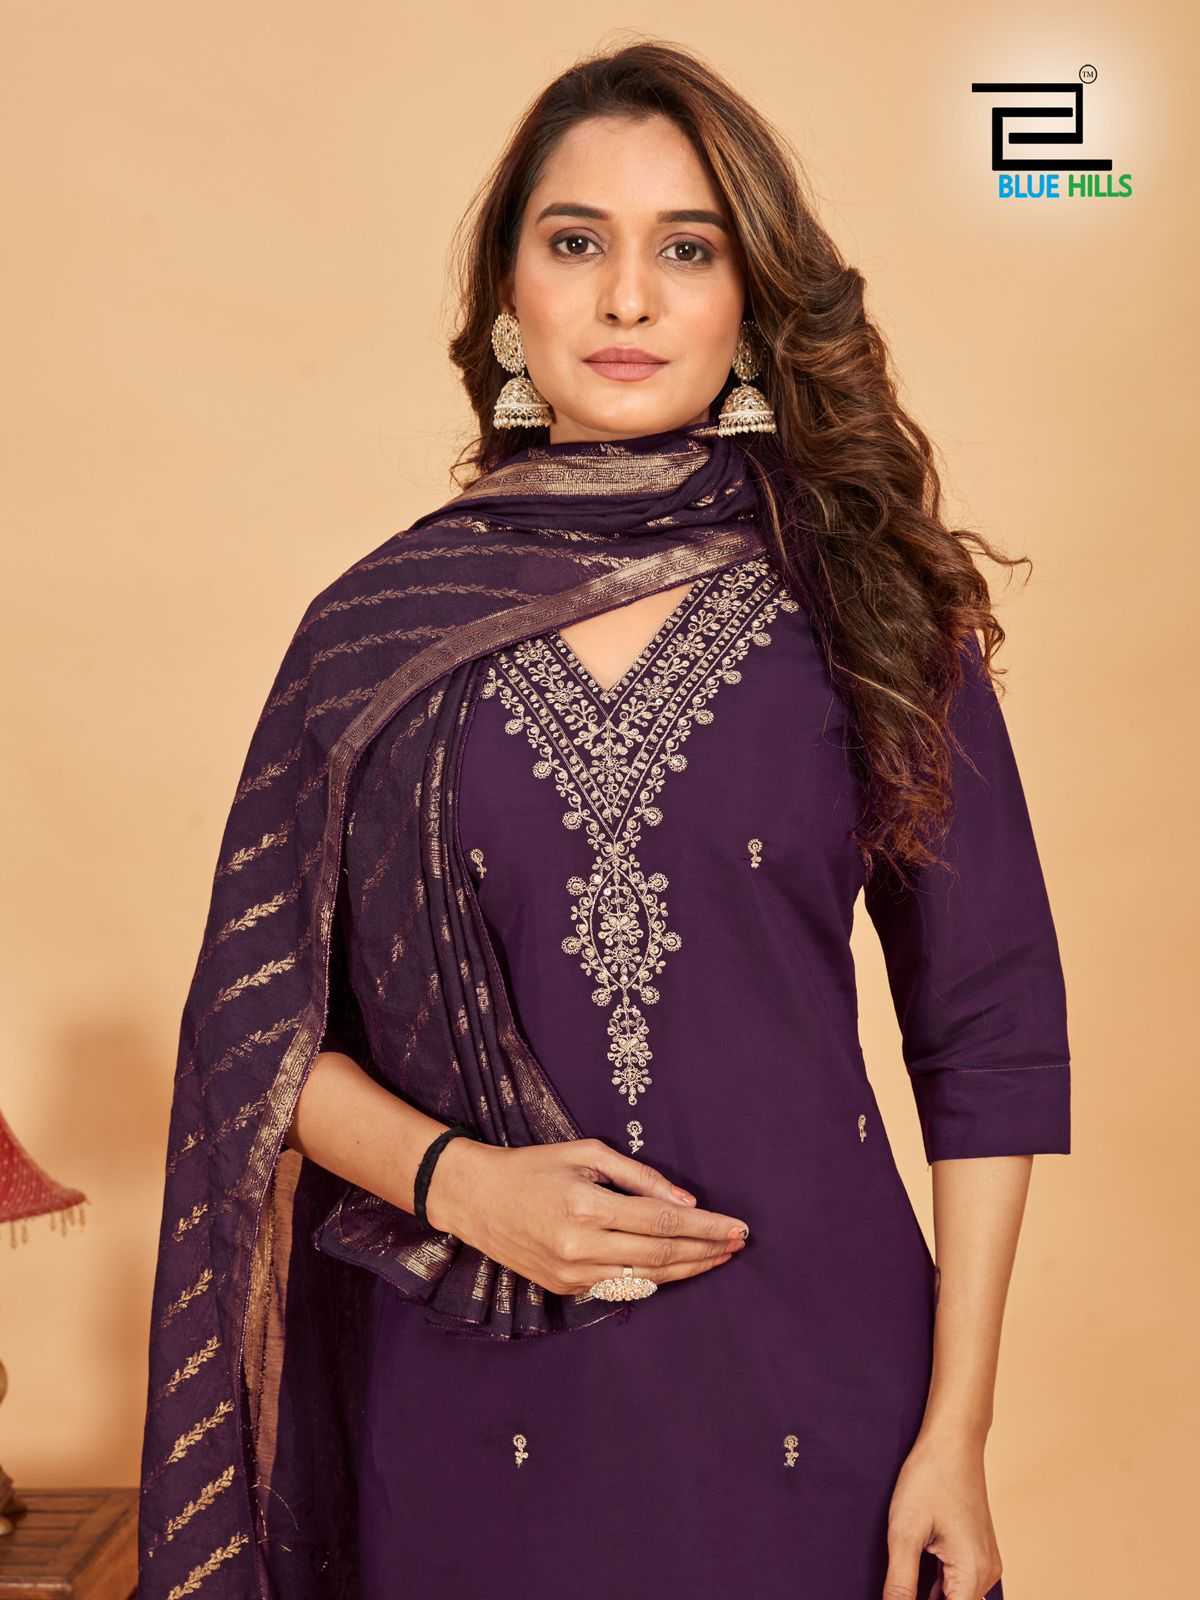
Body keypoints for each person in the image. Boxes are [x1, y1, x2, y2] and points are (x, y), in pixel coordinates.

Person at [137, 41, 1071, 1600]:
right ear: (510, 299)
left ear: (750, 303)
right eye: (577, 243)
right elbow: (252, 1039)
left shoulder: (871, 604)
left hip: (821, 1391)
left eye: (686, 250)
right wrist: (456, 1181)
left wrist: (957, 1433)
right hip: (471, 1390)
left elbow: (989, 1033)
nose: (627, 298)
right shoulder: (375, 637)